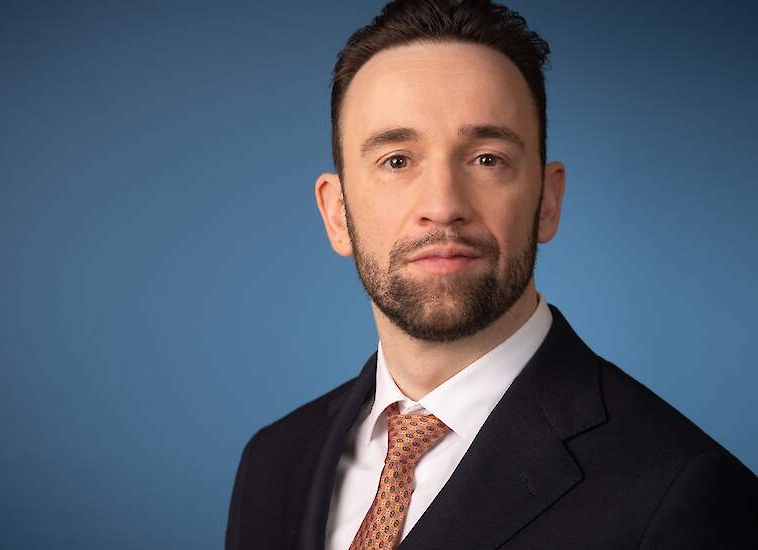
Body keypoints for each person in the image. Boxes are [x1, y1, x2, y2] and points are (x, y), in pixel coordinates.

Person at [225, 0, 758, 548]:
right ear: (337, 214)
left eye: (487, 159)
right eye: (397, 160)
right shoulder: (272, 463)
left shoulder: (684, 493)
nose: (442, 205)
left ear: (547, 201)